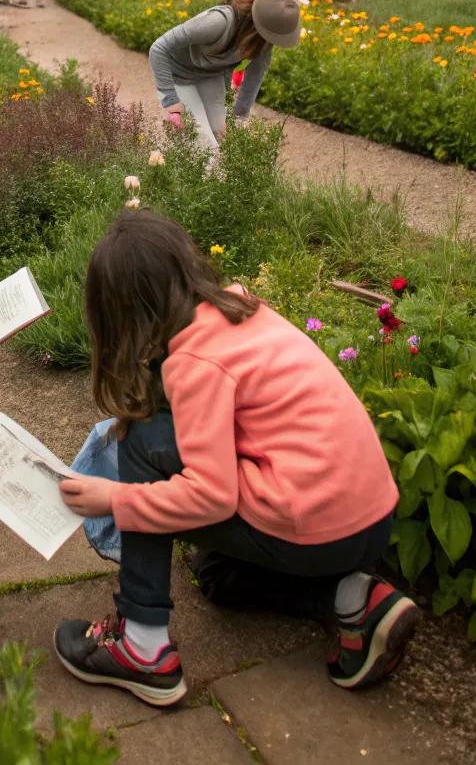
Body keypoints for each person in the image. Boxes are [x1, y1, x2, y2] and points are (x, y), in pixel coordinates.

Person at [53, 210, 419, 707]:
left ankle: (142, 644)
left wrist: (117, 499)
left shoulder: (195, 362)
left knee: (141, 437)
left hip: (317, 524)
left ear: (124, 310)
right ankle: (355, 599)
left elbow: (211, 496)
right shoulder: (237, 310)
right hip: (369, 519)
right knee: (217, 576)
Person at [149, 0, 301, 155]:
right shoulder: (217, 23)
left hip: (209, 76)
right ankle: (167, 167)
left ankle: (207, 174)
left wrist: (237, 119)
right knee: (200, 142)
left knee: (222, 138)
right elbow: (158, 48)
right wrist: (171, 100)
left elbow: (254, 76)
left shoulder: (262, 41)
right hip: (177, 73)